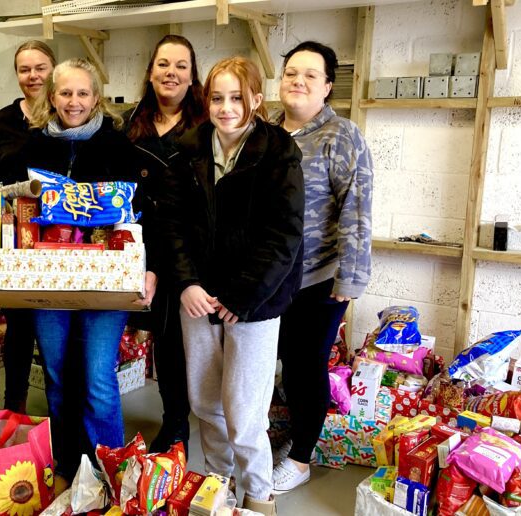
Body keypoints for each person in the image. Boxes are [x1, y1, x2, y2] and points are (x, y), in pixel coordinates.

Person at [159, 56, 304, 516]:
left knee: (244, 412)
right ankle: (218, 488)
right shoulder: (186, 150)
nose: (225, 108)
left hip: (254, 302)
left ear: (256, 100)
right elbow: (172, 225)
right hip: (199, 298)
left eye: (237, 98)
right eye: (217, 98)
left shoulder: (279, 152)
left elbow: (284, 235)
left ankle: (259, 495)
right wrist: (185, 283)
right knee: (206, 403)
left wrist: (243, 296)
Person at [26, 58, 157, 490]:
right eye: (65, 93)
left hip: (104, 282)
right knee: (60, 376)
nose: (74, 102)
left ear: (96, 97)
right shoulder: (35, 147)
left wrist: (144, 274)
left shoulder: (120, 147)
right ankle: (66, 465)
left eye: (83, 93)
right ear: (52, 96)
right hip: (49, 281)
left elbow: (139, 220)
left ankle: (110, 473)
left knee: (99, 376)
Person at [271, 41, 373, 493]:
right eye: (292, 72)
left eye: (311, 75)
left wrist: (350, 277)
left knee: (302, 366)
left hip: (318, 278)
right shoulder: (266, 134)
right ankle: (285, 430)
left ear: (327, 87)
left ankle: (300, 457)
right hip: (268, 279)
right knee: (267, 367)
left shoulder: (341, 135)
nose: (299, 80)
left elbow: (357, 207)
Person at [123, 34, 206, 455]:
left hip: (185, 250)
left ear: (193, 77)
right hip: (138, 244)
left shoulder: (206, 124)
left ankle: (177, 425)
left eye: (181, 66)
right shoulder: (130, 122)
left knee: (176, 344)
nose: (171, 73)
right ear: (151, 72)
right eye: (163, 64)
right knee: (155, 337)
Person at [0, 40, 56, 414]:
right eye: (24, 69)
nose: (32, 76)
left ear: (54, 69)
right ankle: (13, 407)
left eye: (40, 68)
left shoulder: (67, 114)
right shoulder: (0, 123)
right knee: (19, 326)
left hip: (59, 240)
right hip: (12, 239)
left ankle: (60, 410)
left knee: (55, 332)